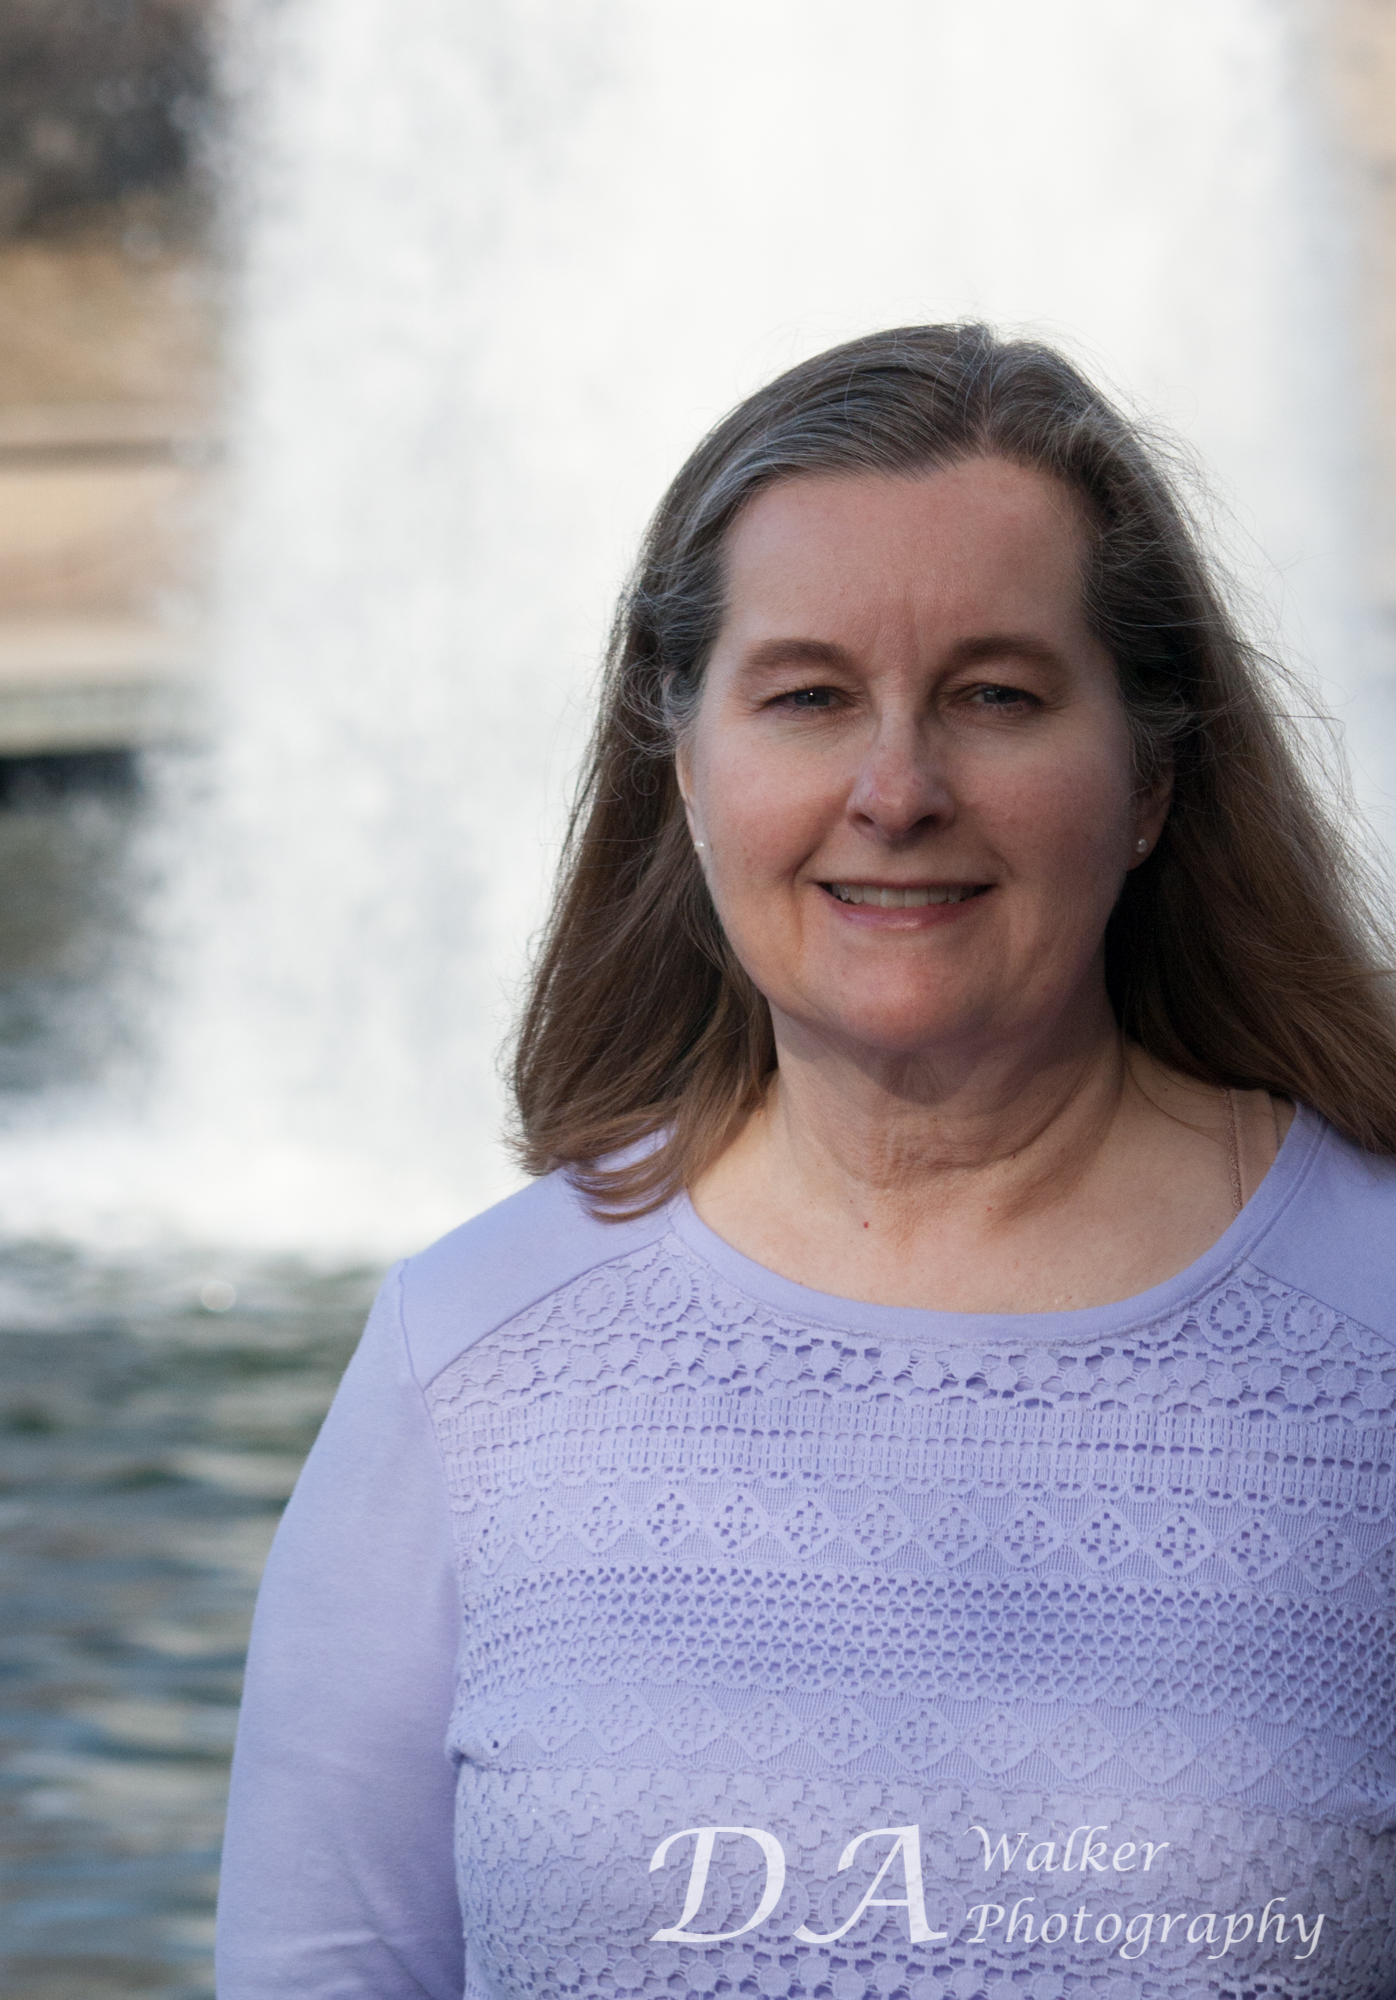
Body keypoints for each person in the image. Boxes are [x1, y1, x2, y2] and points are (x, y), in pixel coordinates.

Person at [215, 325, 1396, 2000]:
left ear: (1148, 777)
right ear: (687, 765)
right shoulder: (467, 1356)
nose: (895, 789)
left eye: (995, 696)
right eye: (807, 698)